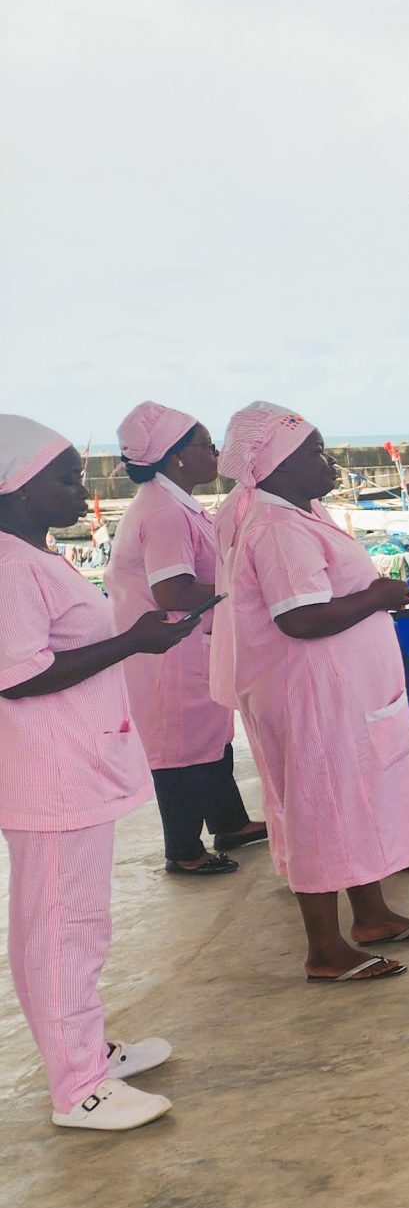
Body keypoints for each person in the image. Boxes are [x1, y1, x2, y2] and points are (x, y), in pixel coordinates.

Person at [1, 418, 197, 1130]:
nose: (84, 491)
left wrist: (136, 641)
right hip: (49, 775)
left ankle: (85, 1049)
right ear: (16, 490)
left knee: (71, 925)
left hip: (72, 767)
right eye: (65, 479)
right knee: (60, 929)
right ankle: (77, 1085)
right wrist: (132, 641)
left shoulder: (33, 556)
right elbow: (18, 677)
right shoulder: (8, 566)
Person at [210, 403, 409, 983]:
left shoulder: (303, 515)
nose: (329, 462)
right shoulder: (276, 528)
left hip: (340, 692)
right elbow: (302, 618)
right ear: (279, 463)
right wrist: (378, 595)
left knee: (356, 797)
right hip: (308, 695)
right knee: (321, 809)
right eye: (315, 452)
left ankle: (372, 915)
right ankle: (325, 948)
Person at [104, 401, 265, 876]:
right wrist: (242, 586)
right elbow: (171, 589)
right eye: (205, 445)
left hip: (192, 643)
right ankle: (184, 850)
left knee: (210, 738)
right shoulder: (163, 512)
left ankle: (229, 822)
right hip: (170, 652)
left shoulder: (175, 503)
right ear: (176, 456)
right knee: (179, 751)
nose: (215, 453)